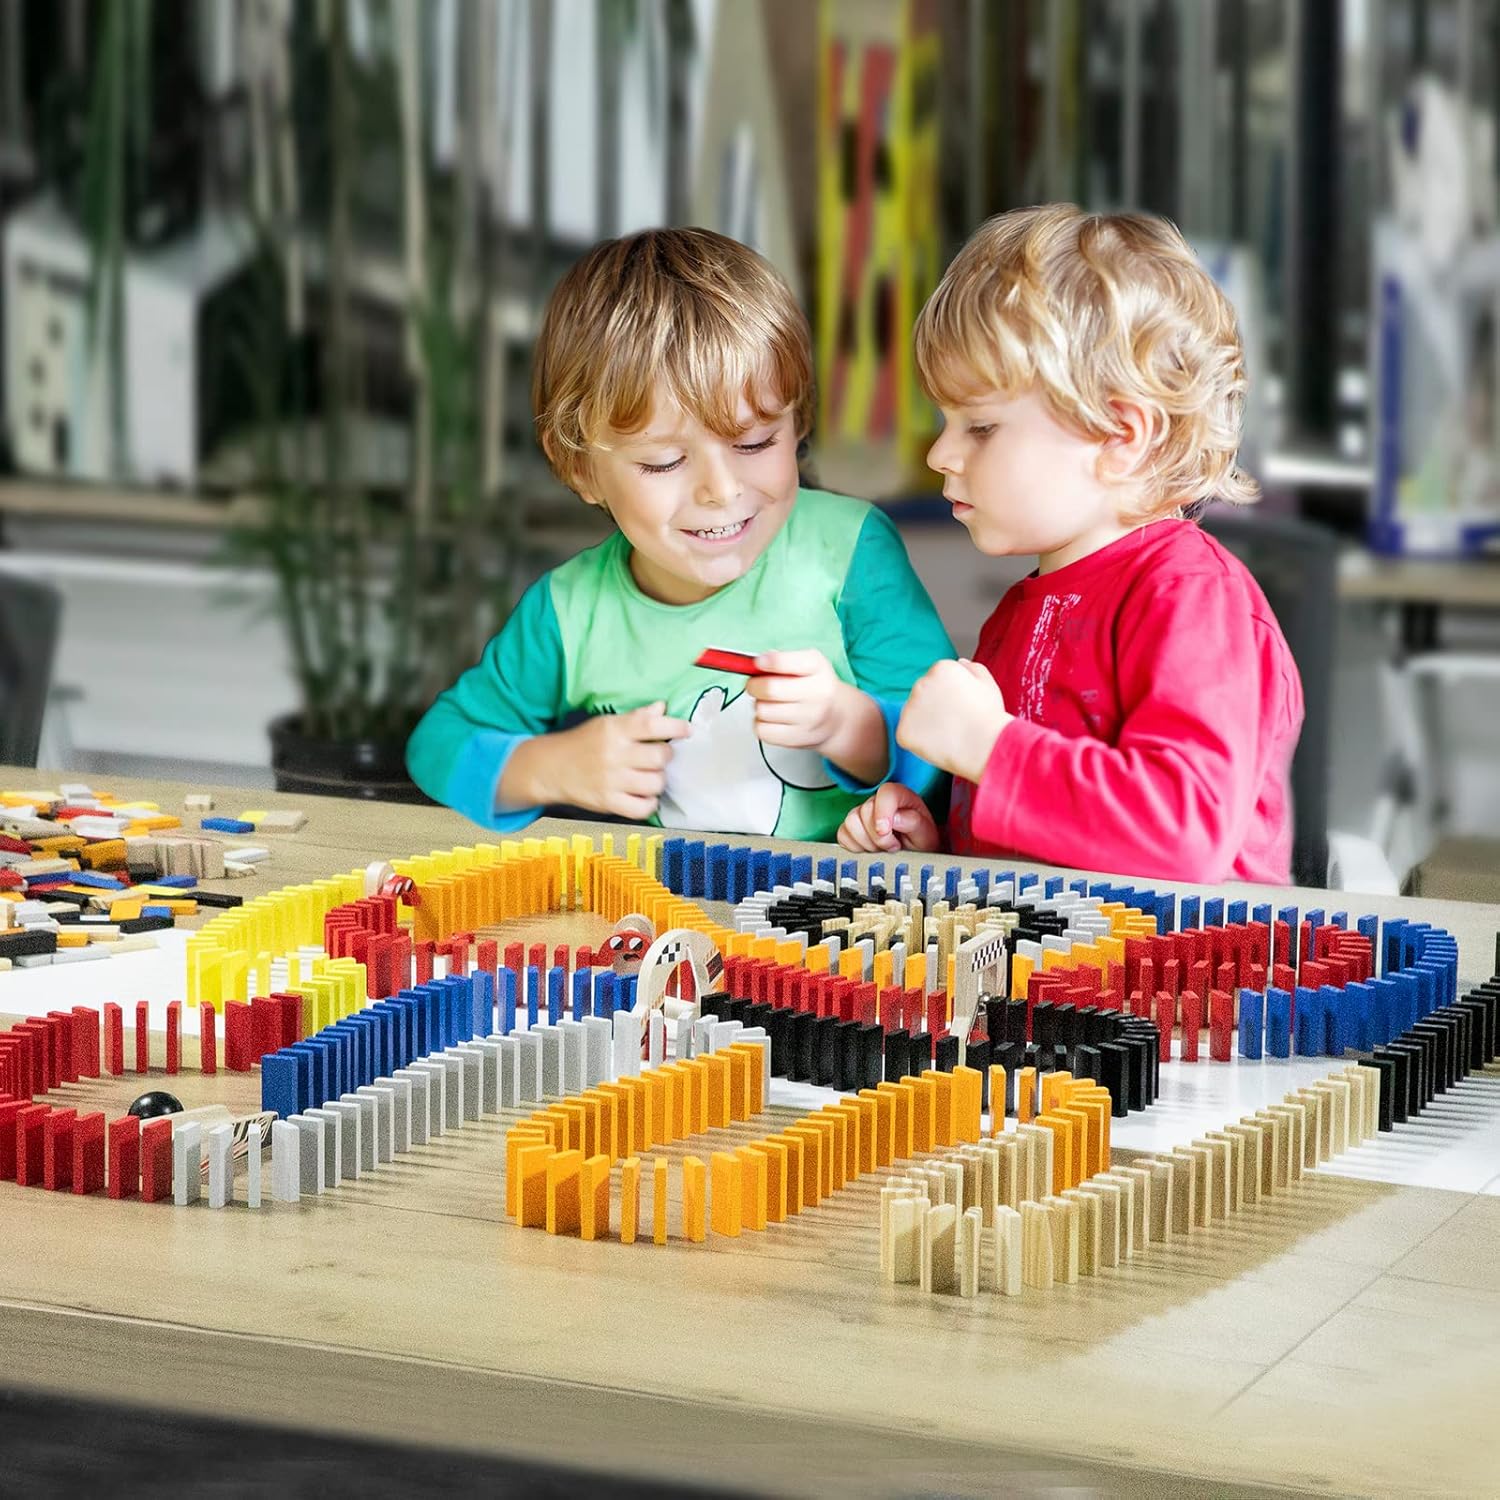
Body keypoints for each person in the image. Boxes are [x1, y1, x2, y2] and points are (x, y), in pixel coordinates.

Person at [407, 227, 951, 838]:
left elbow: (950, 736)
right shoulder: (569, 612)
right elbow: (438, 745)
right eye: (664, 462)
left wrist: (852, 729)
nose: (720, 490)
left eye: (754, 442)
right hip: (676, 921)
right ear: (583, 468)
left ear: (796, 423)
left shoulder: (851, 551)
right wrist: (551, 767)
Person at [838, 205, 1304, 884]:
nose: (941, 453)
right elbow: (1048, 836)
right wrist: (935, 844)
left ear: (1121, 437)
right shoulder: (1023, 609)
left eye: (982, 426)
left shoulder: (1191, 596)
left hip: (1184, 984)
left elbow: (1184, 833)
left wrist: (988, 747)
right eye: (948, 421)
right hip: (1050, 978)